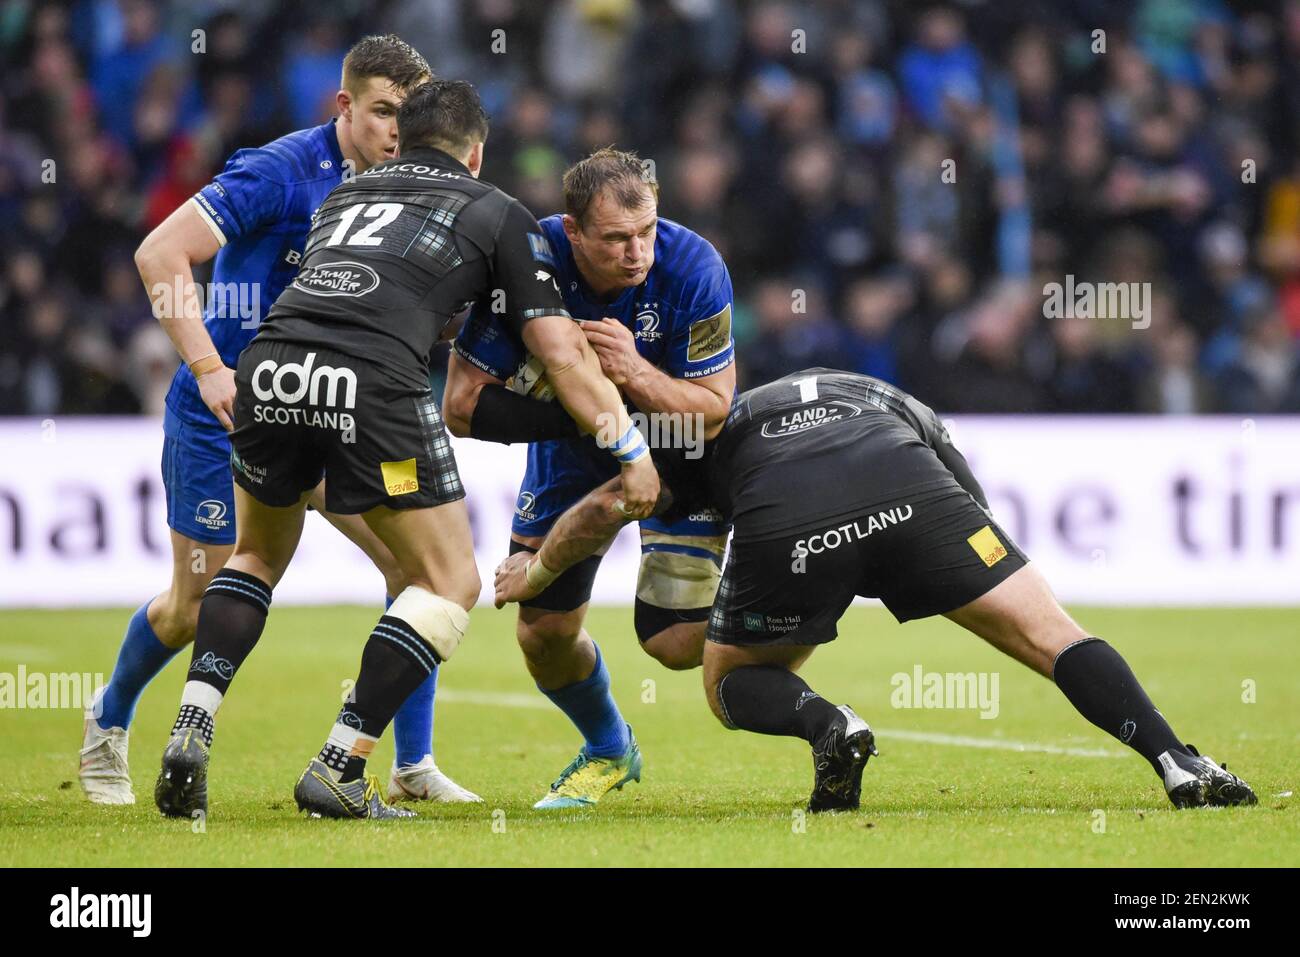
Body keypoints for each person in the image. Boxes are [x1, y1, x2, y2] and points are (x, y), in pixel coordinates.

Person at [151, 78, 659, 821]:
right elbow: (564, 356)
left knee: (255, 556)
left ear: (407, 138)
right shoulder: (497, 212)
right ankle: (341, 763)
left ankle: (192, 721)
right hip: (371, 383)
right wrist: (630, 448)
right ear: (476, 152)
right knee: (446, 579)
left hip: (270, 364)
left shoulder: (347, 195)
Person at [494, 368, 1259, 812]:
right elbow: (963, 481)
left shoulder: (712, 431)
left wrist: (539, 571)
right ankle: (1179, 761)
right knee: (1053, 633)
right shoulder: (883, 392)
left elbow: (619, 522)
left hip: (791, 518)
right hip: (918, 491)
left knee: (727, 683)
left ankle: (832, 724)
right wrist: (965, 559)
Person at [85, 35, 479, 807]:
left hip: (335, 412)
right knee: (192, 602)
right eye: (382, 113)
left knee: (419, 576)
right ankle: (107, 722)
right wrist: (207, 368)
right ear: (345, 106)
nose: (398, 131)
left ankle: (410, 763)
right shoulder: (281, 171)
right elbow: (160, 255)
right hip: (228, 413)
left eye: (411, 114)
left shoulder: (404, 185)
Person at [441, 147, 737, 808]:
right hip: (573, 451)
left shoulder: (694, 266)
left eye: (646, 233)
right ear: (572, 232)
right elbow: (460, 407)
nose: (638, 254)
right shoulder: (526, 260)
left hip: (677, 448)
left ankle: (771, 598)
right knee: (541, 635)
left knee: (678, 643)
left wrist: (632, 377)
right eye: (616, 239)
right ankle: (610, 748)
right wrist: (594, 420)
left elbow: (715, 408)